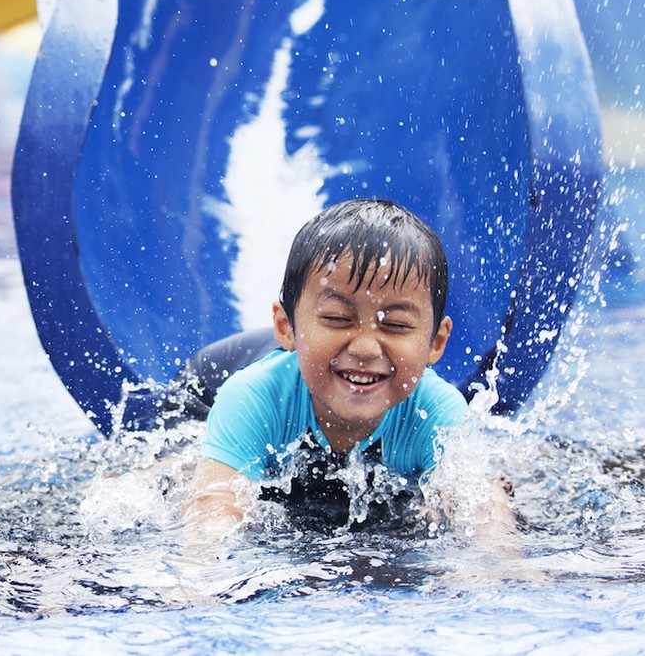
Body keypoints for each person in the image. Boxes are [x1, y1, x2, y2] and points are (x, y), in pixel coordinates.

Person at [173, 198, 514, 534]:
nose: (365, 348)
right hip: (208, 385)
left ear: (435, 342)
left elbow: (485, 521)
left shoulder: (436, 412)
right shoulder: (252, 399)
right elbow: (210, 520)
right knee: (177, 475)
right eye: (337, 318)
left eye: (395, 324)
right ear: (286, 328)